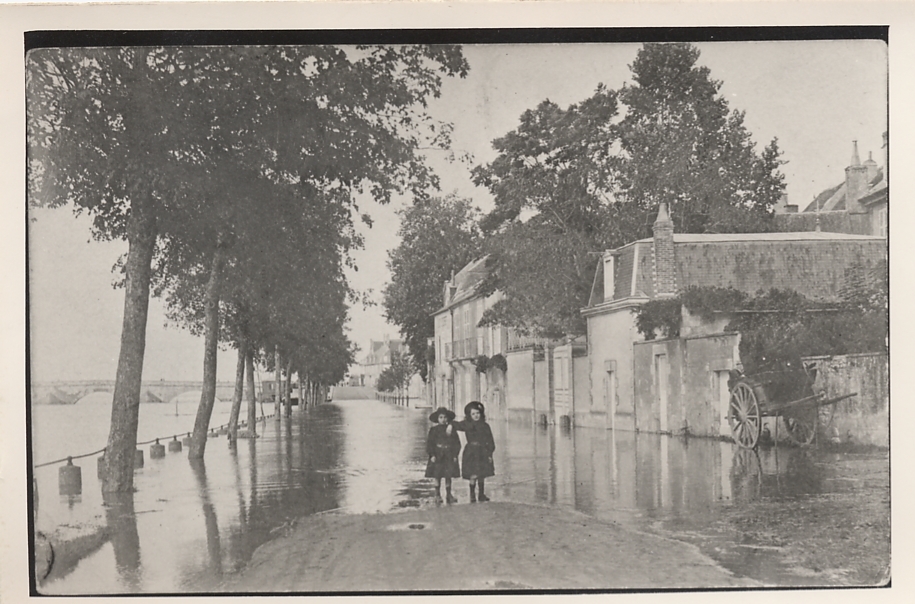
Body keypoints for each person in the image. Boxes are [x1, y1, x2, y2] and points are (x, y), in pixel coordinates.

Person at [448, 401, 495, 502]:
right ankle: (472, 495)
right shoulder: (467, 424)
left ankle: (481, 494)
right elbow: (456, 424)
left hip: (483, 452)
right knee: (473, 474)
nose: (476, 415)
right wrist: (450, 425)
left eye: (478, 413)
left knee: (481, 474)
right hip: (471, 452)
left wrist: (490, 454)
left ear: (481, 413)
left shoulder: (485, 426)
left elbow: (490, 440)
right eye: (473, 414)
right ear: (469, 415)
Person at [425, 407, 461, 504]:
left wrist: (455, 455)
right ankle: (437, 494)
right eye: (440, 417)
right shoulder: (433, 430)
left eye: (445, 417)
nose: (443, 419)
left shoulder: (451, 430)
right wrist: (432, 455)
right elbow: (430, 443)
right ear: (437, 419)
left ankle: (448, 494)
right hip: (438, 454)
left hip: (449, 454)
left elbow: (457, 443)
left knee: (448, 475)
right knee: (437, 475)